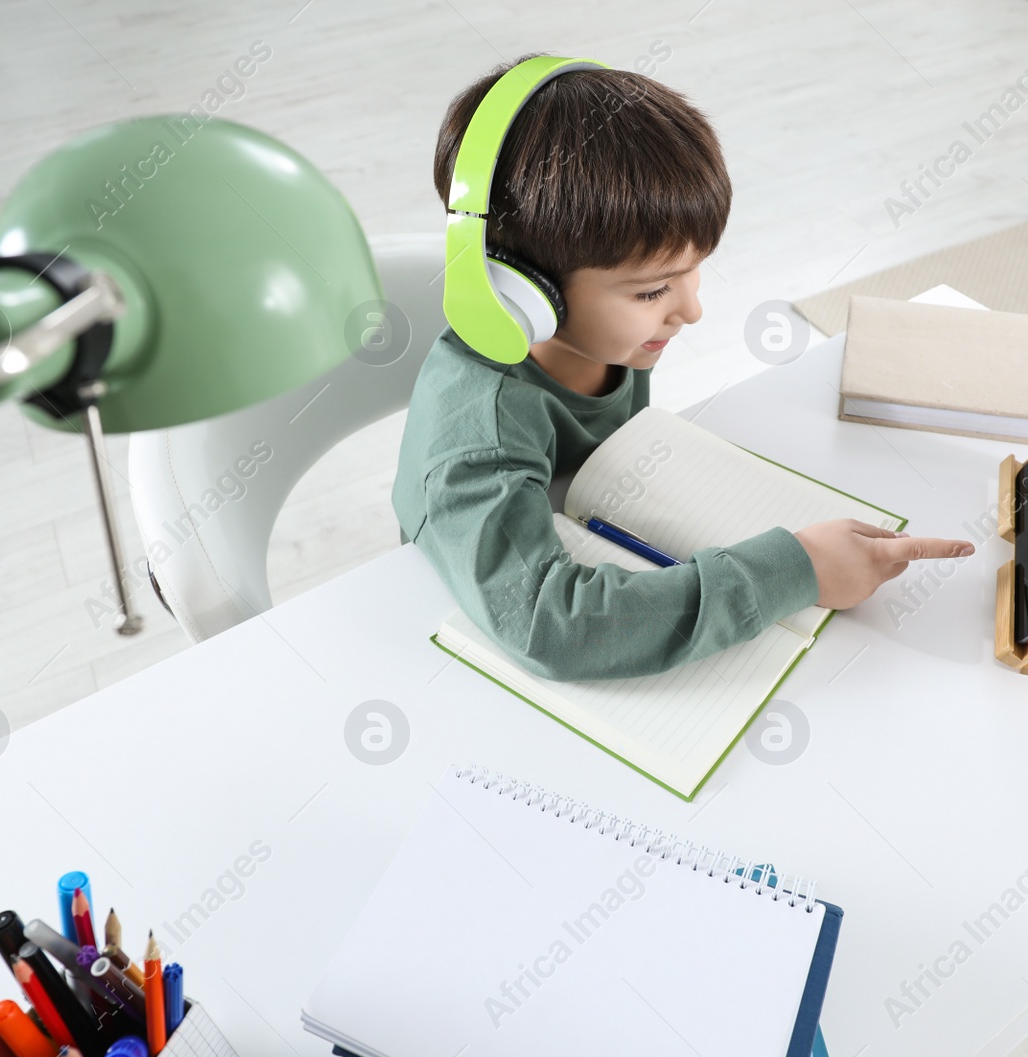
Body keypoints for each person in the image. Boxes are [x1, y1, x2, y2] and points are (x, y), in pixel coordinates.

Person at [392, 54, 973, 682]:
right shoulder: (480, 438)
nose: (690, 311)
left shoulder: (605, 343)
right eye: (651, 292)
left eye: (692, 271)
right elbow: (553, 627)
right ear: (517, 290)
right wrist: (796, 569)